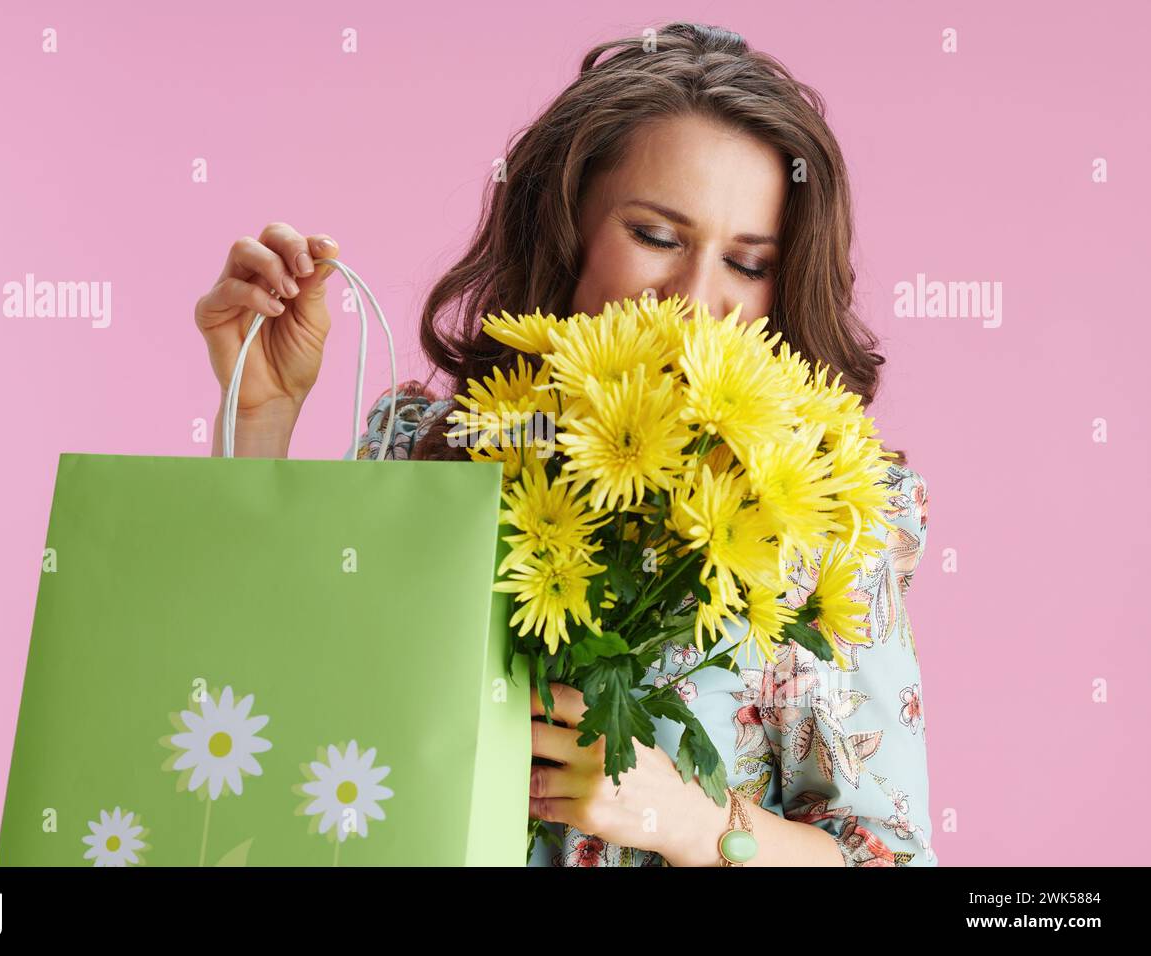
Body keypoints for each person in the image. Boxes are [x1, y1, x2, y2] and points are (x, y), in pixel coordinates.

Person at [193, 21, 936, 867]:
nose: (696, 298)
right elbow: (261, 719)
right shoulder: (433, 451)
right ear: (565, 232)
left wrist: (693, 821)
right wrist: (259, 419)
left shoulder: (829, 518)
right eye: (656, 237)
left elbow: (888, 858)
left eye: (749, 262)